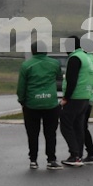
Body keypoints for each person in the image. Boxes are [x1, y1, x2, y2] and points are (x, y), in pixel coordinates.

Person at [16, 41, 62, 170]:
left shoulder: (26, 65)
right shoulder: (55, 63)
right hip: (51, 103)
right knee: (50, 133)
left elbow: (21, 86)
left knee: (32, 133)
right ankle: (51, 159)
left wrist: (22, 100)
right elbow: (59, 78)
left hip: (32, 104)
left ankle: (33, 160)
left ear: (32, 51)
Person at [59, 35, 93, 167]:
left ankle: (75, 155)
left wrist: (66, 98)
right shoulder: (87, 57)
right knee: (79, 126)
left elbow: (72, 80)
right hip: (86, 97)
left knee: (66, 125)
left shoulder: (75, 58)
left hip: (76, 96)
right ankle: (79, 156)